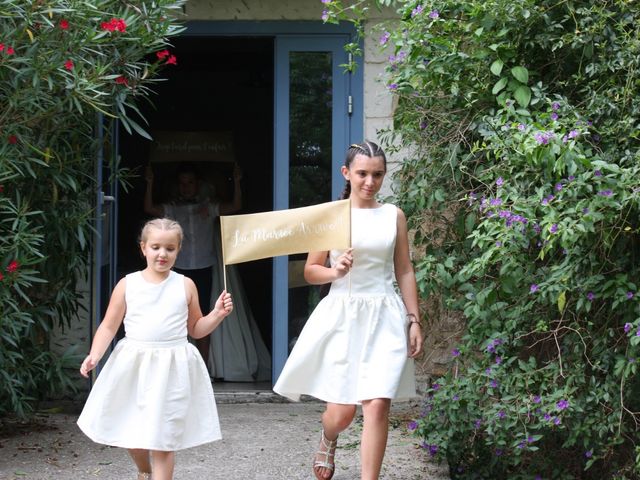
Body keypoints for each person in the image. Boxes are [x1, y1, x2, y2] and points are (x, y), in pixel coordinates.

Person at [273, 141, 423, 480]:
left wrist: (414, 319)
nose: (370, 182)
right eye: (362, 174)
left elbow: (404, 270)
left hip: (385, 313)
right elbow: (311, 271)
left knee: (378, 403)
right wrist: (336, 270)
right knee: (341, 414)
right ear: (347, 173)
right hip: (343, 315)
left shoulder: (394, 216)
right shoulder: (331, 215)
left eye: (377, 175)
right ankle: (329, 437)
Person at [77, 218, 234, 480]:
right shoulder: (128, 284)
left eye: (170, 248)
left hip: (172, 368)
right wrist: (95, 354)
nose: (162, 254)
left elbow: (195, 328)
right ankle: (143, 468)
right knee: (134, 434)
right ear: (144, 248)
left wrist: (217, 314)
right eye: (156, 247)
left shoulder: (185, 285)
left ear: (178, 249)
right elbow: (108, 326)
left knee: (163, 439)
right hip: (135, 366)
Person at [144, 162, 241, 366]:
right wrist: (150, 183)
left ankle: (203, 366)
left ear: (198, 184)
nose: (186, 187)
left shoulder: (208, 205)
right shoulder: (172, 208)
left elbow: (235, 207)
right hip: (177, 269)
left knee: (203, 316)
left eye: (190, 182)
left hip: (204, 266)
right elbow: (149, 208)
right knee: (174, 316)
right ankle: (177, 364)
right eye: (182, 183)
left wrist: (237, 182)